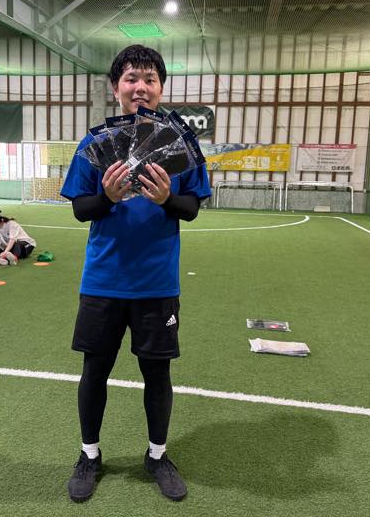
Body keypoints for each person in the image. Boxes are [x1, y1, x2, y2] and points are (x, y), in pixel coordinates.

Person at [60, 45, 211, 502]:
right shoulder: (92, 145)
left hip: (156, 283)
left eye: (149, 79)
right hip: (103, 280)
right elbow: (81, 209)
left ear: (161, 88)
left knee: (157, 374)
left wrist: (166, 199)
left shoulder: (178, 144)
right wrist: (107, 197)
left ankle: (157, 455)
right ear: (116, 88)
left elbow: (191, 209)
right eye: (131, 78)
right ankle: (89, 455)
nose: (140, 87)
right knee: (95, 371)